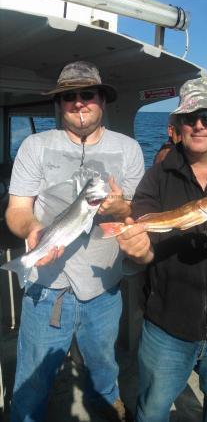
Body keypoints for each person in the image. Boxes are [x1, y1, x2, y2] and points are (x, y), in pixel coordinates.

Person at [5, 60, 144, 422]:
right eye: (70, 96)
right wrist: (33, 229)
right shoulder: (35, 146)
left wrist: (121, 206)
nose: (79, 103)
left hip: (105, 289)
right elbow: (17, 210)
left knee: (103, 368)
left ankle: (110, 410)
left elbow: (133, 211)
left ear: (102, 99)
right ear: (59, 103)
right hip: (47, 288)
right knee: (33, 382)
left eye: (88, 94)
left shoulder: (129, 149)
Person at [117, 76, 207, 422]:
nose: (199, 124)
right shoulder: (158, 175)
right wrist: (136, 248)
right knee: (152, 410)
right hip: (166, 326)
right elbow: (147, 250)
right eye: (190, 116)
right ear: (178, 123)